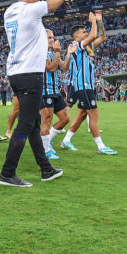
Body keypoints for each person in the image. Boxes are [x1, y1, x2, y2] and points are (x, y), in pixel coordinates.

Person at [0, 0, 65, 187]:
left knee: (34, 123)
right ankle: (7, 173)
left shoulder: (11, 11)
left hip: (16, 72)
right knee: (25, 124)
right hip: (30, 74)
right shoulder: (31, 11)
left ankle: (46, 169)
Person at [61, 12, 116, 155]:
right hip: (83, 85)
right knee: (93, 114)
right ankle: (100, 146)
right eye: (83, 32)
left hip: (88, 84)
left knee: (82, 115)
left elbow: (102, 37)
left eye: (86, 32)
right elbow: (92, 36)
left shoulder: (88, 46)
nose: (86, 34)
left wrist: (100, 22)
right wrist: (93, 22)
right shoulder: (76, 44)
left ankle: (66, 140)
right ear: (76, 36)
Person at [39, 29, 71, 161]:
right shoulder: (40, 52)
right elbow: (50, 68)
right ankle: (46, 150)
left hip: (55, 92)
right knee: (46, 121)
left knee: (65, 119)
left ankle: (46, 141)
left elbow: (63, 68)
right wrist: (58, 52)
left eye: (52, 37)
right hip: (45, 92)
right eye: (48, 38)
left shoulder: (52, 52)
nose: (52, 39)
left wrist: (68, 54)